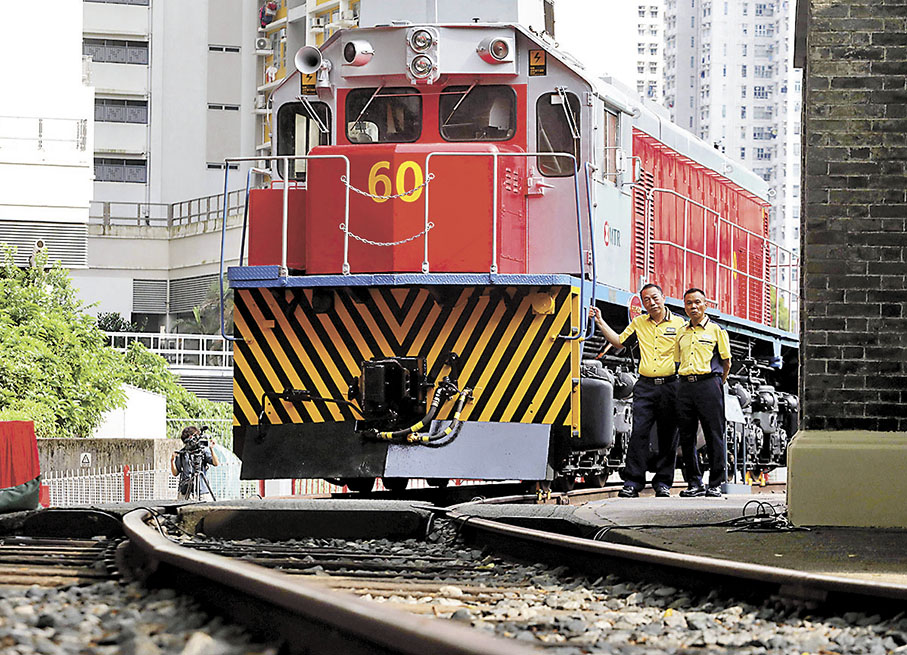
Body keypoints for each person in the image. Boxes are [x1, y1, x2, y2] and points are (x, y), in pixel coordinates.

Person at [589, 283, 685, 498]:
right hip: (645, 386)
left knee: (668, 435)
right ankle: (633, 482)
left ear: (664, 297)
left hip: (671, 386)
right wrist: (600, 321)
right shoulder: (639, 323)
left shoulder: (680, 324)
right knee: (639, 433)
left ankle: (663, 483)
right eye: (646, 300)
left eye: (655, 298)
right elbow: (620, 342)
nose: (651, 303)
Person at [674, 288, 732, 498]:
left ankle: (715, 483)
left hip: (709, 384)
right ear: (685, 306)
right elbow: (677, 360)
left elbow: (726, 362)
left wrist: (717, 383)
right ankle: (694, 483)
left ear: (705, 305)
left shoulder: (717, 331)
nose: (693, 307)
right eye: (689, 303)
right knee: (687, 436)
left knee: (713, 434)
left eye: (697, 302)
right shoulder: (681, 332)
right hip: (685, 386)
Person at [170, 426, 219, 501]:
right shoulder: (183, 453)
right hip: (186, 492)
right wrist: (172, 461)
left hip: (202, 491)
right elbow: (175, 473)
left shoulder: (202, 451)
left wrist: (211, 449)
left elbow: (216, 463)